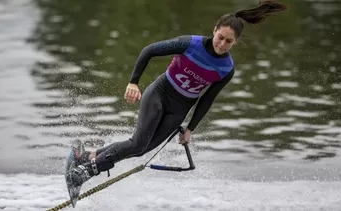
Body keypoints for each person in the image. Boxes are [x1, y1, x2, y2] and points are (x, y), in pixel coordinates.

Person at [68, 0, 289, 187]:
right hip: (160, 93)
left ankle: (85, 157)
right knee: (137, 143)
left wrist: (190, 129)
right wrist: (133, 82)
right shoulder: (190, 44)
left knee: (140, 150)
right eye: (220, 37)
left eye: (228, 41)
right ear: (214, 30)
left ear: (235, 42)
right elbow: (149, 51)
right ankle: (85, 172)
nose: (222, 44)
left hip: (180, 109)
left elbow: (207, 99)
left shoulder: (226, 69)